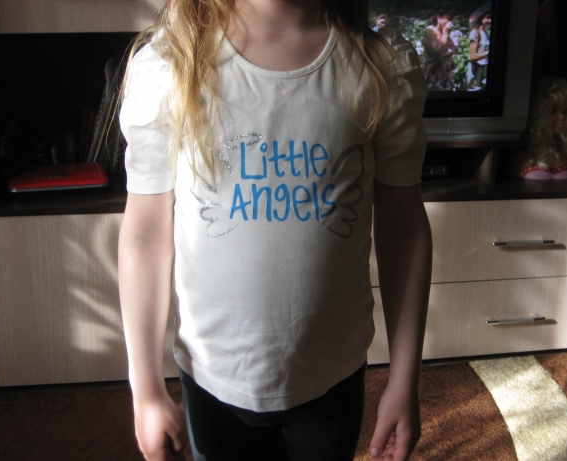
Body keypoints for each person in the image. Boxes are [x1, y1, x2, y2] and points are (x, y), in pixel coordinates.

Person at [118, 1, 432, 461]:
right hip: (212, 379)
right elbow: (145, 234)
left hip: (333, 376)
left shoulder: (378, 67)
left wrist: (405, 379)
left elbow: (403, 230)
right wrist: (145, 388)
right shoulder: (171, 64)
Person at [515, 76, 567, 179]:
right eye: (553, 111)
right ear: (537, 114)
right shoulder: (520, 157)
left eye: (565, 111)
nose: (562, 117)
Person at [422, 11, 456, 91]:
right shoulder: (430, 31)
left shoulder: (447, 35)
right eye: (448, 19)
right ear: (439, 17)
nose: (450, 22)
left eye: (452, 19)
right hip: (433, 78)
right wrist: (445, 33)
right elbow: (438, 53)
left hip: (445, 78)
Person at [468, 5, 491, 90]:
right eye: (488, 17)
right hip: (476, 71)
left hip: (484, 70)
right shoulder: (475, 33)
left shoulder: (486, 33)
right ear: (481, 18)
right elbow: (473, 56)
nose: (490, 20)